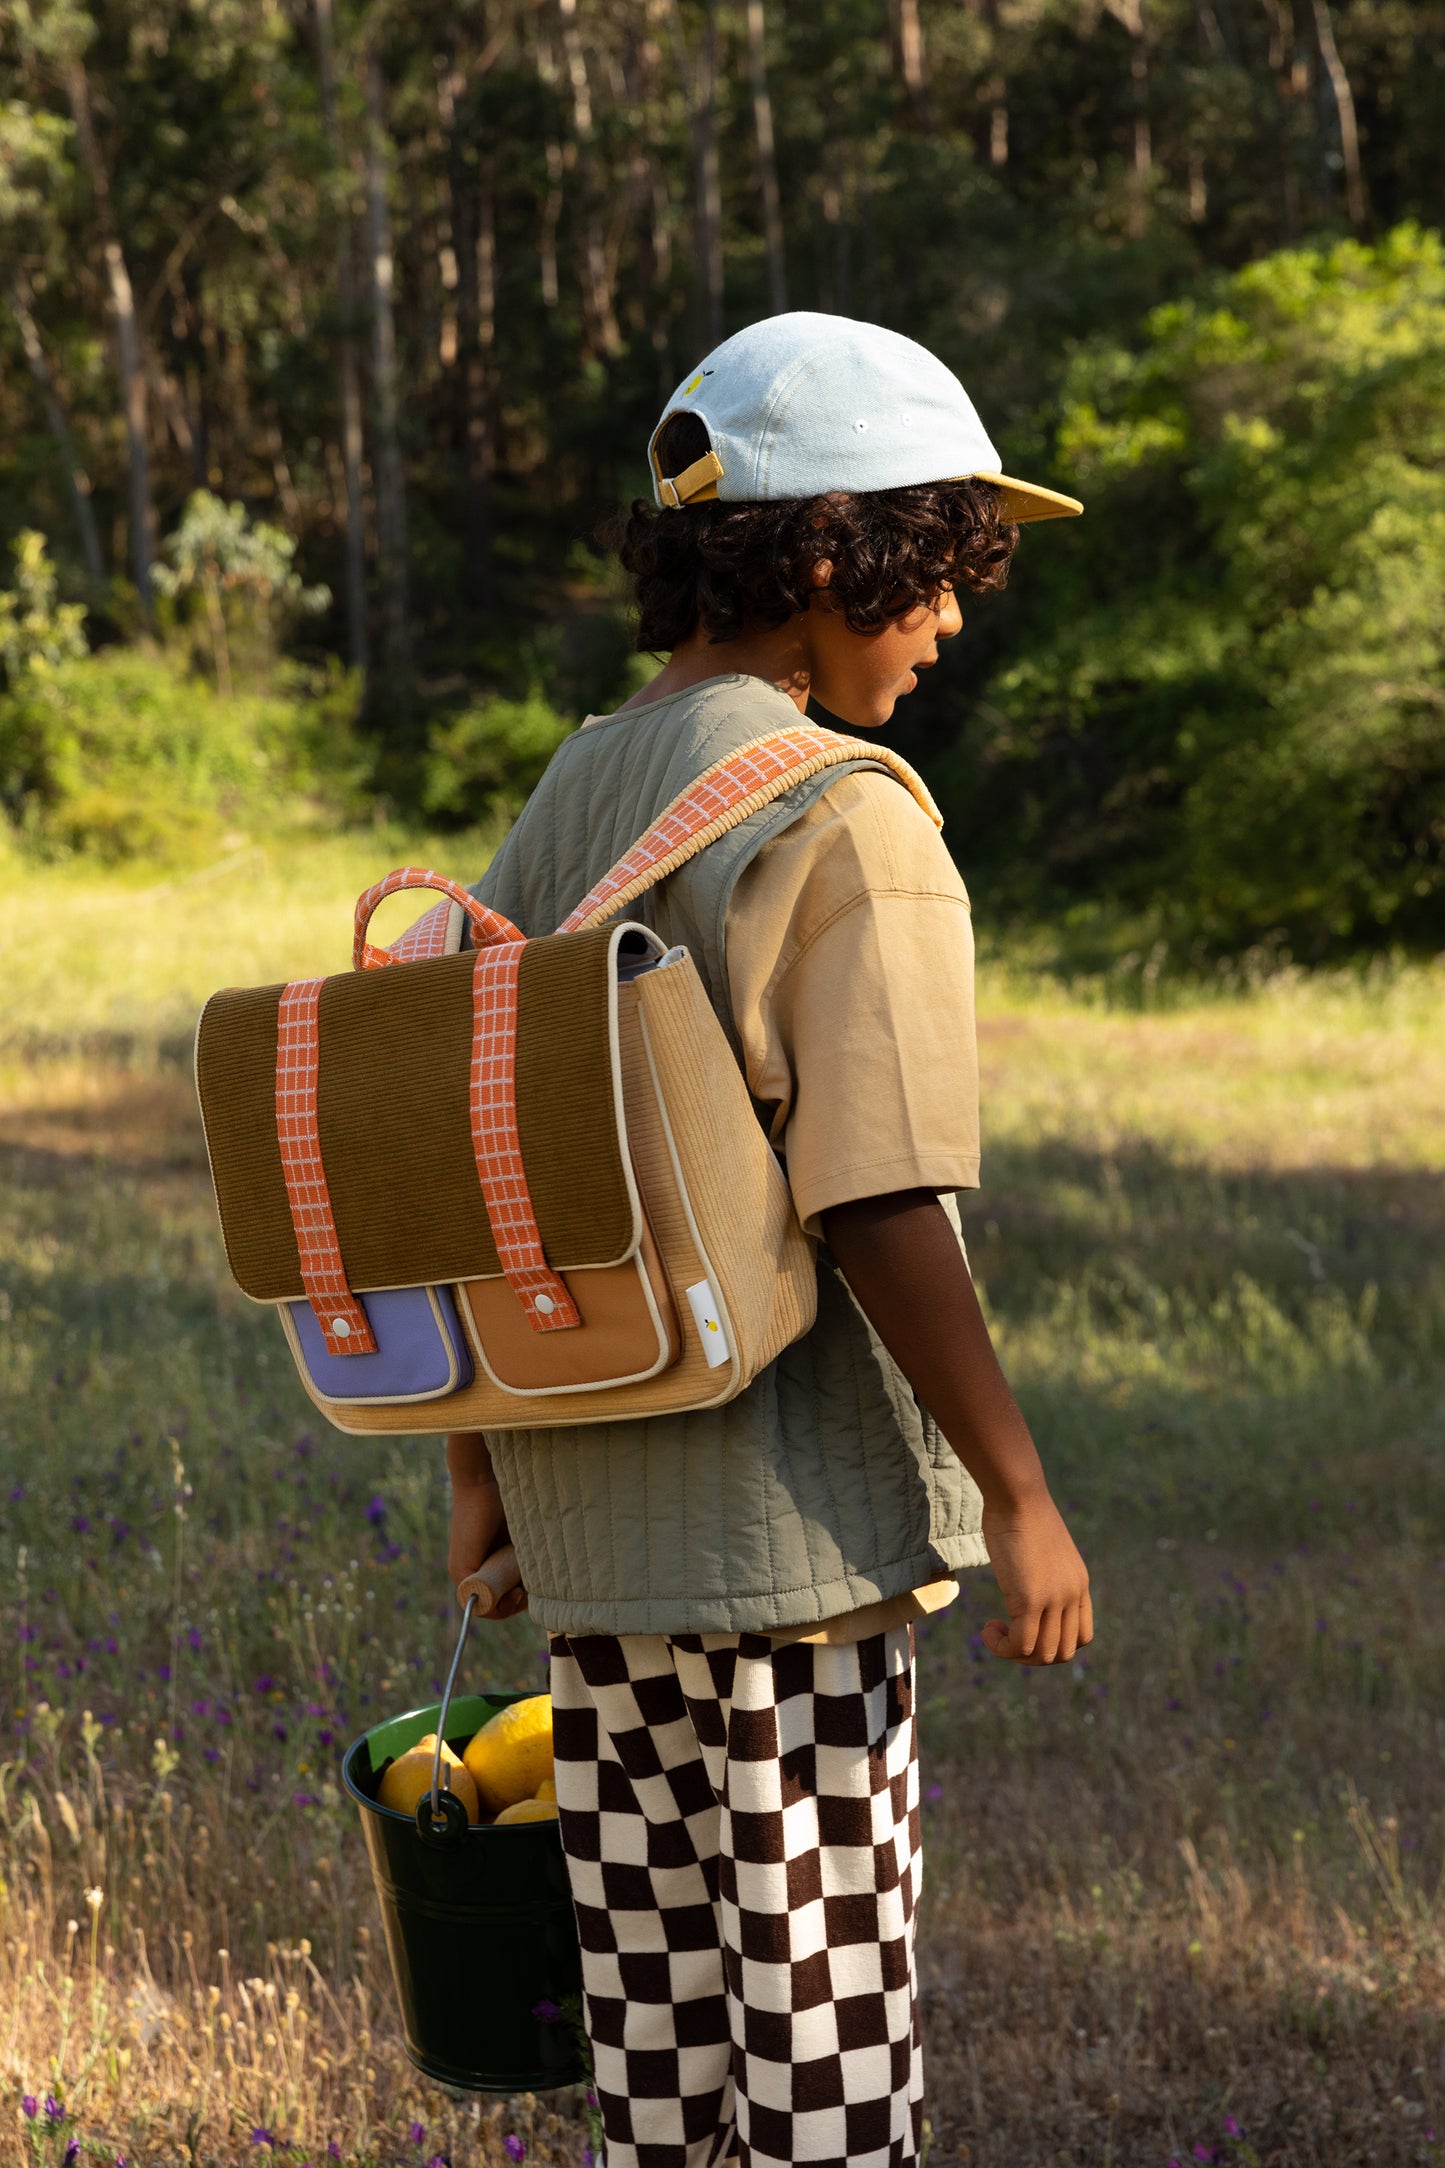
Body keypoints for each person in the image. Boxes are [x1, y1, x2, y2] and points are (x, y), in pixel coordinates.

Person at [447, 313, 1092, 2168]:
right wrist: (1019, 1489)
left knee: (663, 2058)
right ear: (826, 558)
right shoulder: (845, 815)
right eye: (939, 571)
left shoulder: (572, 788)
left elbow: (491, 1161)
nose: (953, 620)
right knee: (822, 2063)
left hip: (593, 1542)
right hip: (785, 1549)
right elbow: (876, 1189)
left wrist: (482, 1473)